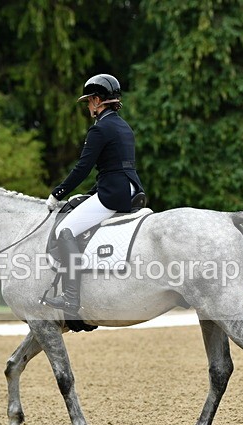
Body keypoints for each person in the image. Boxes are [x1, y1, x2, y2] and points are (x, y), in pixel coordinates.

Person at [42, 74, 144, 313]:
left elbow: (83, 168)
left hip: (113, 193)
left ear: (98, 100)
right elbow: (113, 167)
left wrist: (58, 193)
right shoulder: (123, 125)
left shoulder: (99, 129)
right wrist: (88, 195)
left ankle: (70, 298)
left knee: (64, 229)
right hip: (130, 187)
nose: (88, 106)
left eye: (89, 101)